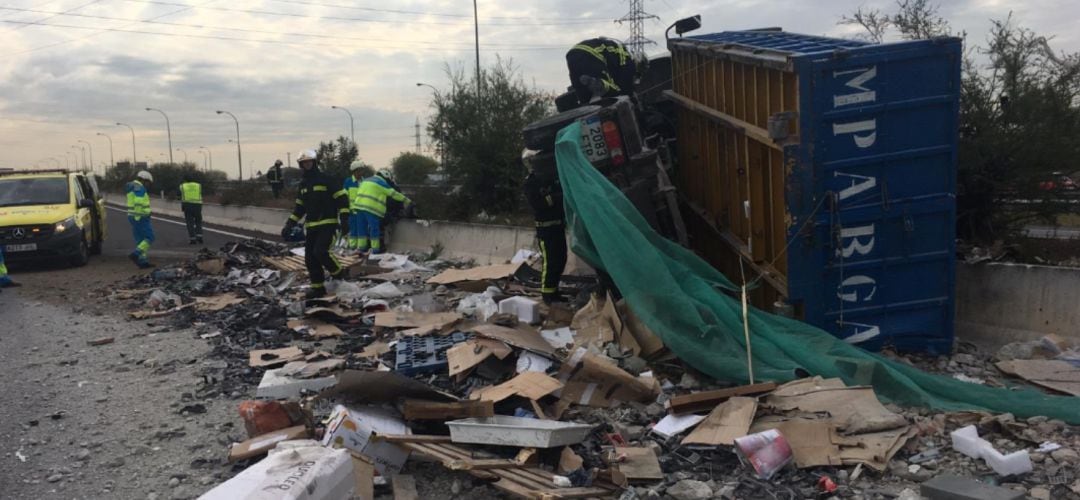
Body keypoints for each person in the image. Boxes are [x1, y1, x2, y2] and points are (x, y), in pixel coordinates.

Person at [282, 149, 350, 299]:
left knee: (320, 252)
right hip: (311, 227)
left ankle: (339, 274)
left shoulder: (327, 179)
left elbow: (342, 199)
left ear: (315, 162)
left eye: (309, 162)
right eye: (304, 163)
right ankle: (318, 288)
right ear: (301, 165)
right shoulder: (303, 185)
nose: (307, 165)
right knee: (310, 258)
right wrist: (289, 225)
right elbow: (299, 209)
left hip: (328, 224)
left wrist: (345, 219)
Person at [523, 164, 567, 304]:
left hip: (558, 227)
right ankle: (547, 295)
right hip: (546, 230)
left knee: (561, 260)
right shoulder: (531, 182)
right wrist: (556, 198)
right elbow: (538, 203)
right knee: (551, 263)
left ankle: (554, 292)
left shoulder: (553, 177)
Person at [354, 169, 410, 255]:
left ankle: (362, 248)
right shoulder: (381, 182)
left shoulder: (366, 180)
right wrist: (407, 200)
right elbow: (394, 194)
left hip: (359, 207)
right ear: (386, 177)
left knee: (362, 229)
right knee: (374, 229)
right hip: (371, 208)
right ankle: (375, 250)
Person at [565, 37, 636, 104]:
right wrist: (629, 96)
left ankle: (584, 103)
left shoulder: (614, 49)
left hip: (572, 56)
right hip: (591, 53)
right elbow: (625, 84)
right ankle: (599, 83)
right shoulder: (627, 59)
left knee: (582, 90)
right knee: (612, 88)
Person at [126, 170, 155, 269]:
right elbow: (138, 201)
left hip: (133, 216)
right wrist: (138, 216)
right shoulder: (139, 187)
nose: (148, 185)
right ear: (144, 180)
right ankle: (136, 254)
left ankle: (142, 262)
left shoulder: (132, 186)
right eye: (147, 182)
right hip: (140, 217)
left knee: (140, 240)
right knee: (150, 237)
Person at [342, 162, 366, 250]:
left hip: (363, 212)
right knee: (353, 232)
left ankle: (362, 249)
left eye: (362, 170)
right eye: (360, 170)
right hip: (352, 212)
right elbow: (344, 197)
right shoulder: (348, 182)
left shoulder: (365, 182)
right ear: (354, 171)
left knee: (362, 232)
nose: (361, 173)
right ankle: (352, 248)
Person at [179, 174, 203, 245]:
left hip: (187, 205)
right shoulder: (198, 185)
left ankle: (193, 239)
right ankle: (200, 237)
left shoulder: (182, 186)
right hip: (198, 205)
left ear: (185, 180)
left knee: (190, 222)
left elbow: (181, 194)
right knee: (198, 221)